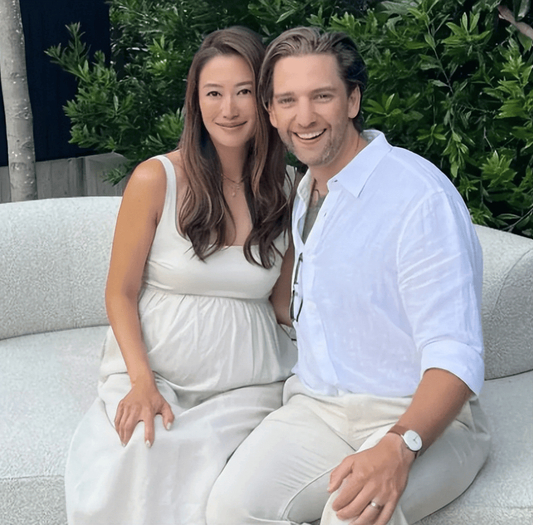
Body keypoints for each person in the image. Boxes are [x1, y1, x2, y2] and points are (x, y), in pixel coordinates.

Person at [206, 27, 491, 525]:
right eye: (288, 100)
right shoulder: (306, 191)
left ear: (353, 100)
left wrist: (399, 445)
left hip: (421, 420)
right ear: (271, 113)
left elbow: (456, 352)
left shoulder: (419, 198)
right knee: (232, 508)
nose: (305, 117)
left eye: (322, 96)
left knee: (350, 516)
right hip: (318, 409)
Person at [65, 26, 296, 525]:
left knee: (233, 475)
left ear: (265, 100)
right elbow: (120, 292)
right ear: (195, 101)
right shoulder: (156, 179)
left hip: (250, 386)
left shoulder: (285, 187)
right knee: (144, 451)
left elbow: (282, 306)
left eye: (243, 92)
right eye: (214, 93)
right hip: (158, 376)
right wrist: (142, 382)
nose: (228, 109)